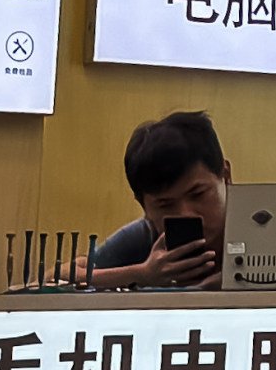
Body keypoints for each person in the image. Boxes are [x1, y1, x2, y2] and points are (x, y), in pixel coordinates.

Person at [87, 109, 229, 288]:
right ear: (144, 207)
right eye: (165, 205)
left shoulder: (258, 229)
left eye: (197, 194)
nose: (186, 214)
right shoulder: (143, 237)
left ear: (226, 177)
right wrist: (141, 274)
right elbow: (62, 275)